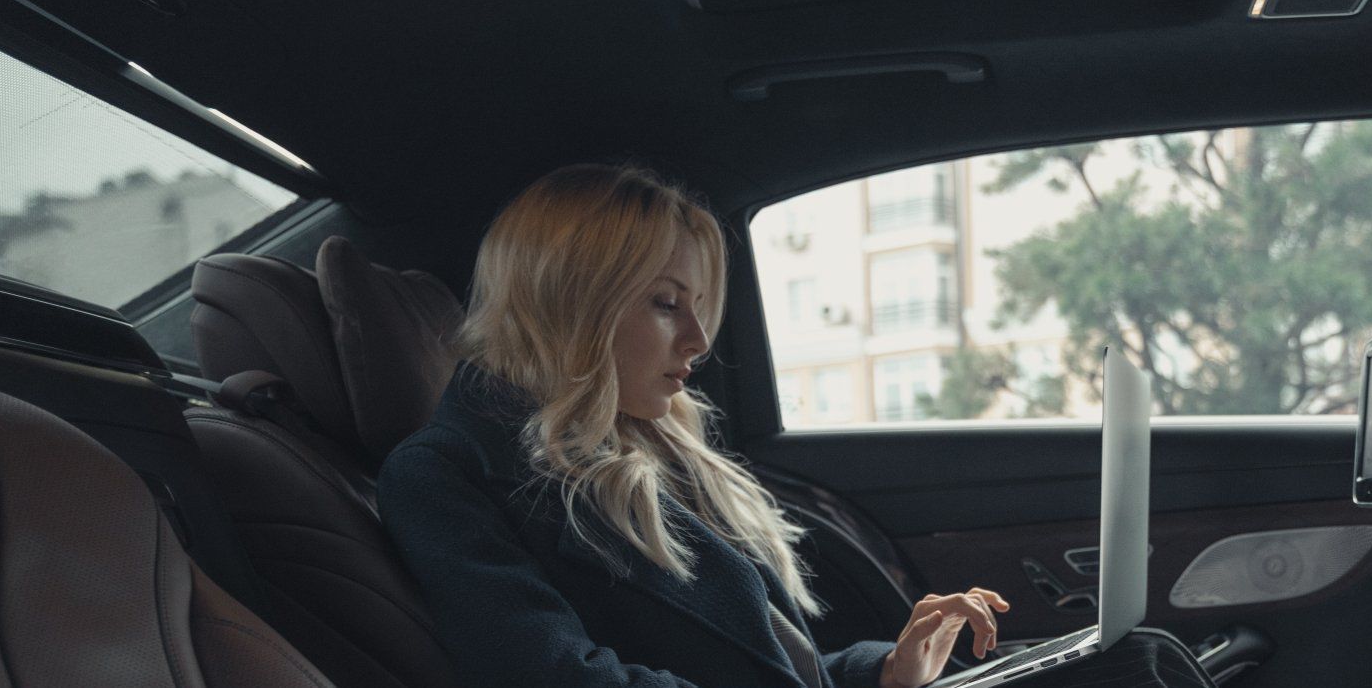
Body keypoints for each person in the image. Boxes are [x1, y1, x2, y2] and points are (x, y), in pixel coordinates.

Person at [378, 164, 1014, 688]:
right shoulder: (445, 473)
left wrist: (885, 671)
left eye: (699, 306)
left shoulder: (653, 453)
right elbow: (558, 680)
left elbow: (774, 669)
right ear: (570, 299)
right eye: (666, 304)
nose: (699, 340)